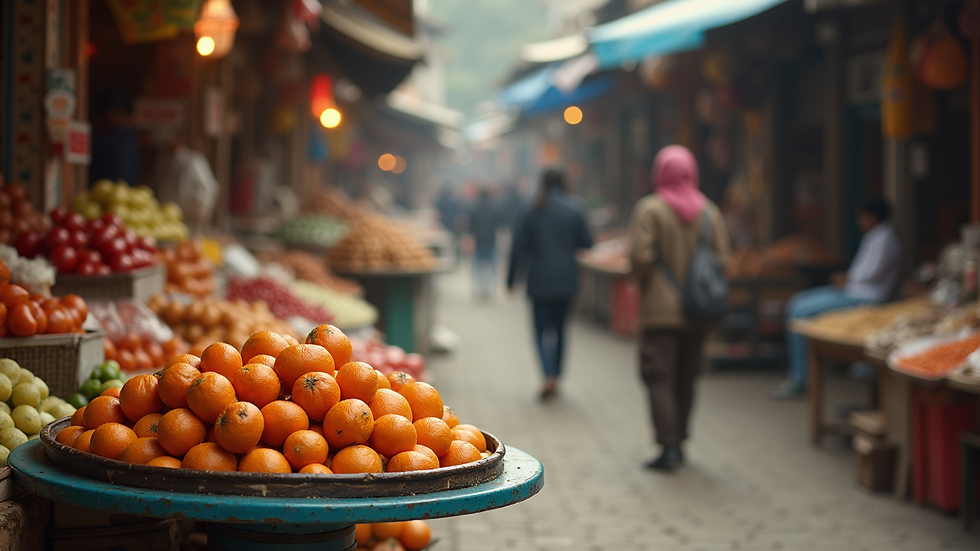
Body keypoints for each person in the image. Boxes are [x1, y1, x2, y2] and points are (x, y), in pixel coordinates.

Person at [629, 145, 731, 471]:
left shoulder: (650, 209)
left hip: (661, 311)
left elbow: (641, 258)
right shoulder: (710, 211)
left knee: (659, 376)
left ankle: (668, 445)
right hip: (698, 311)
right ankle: (681, 440)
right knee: (687, 377)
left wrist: (648, 283)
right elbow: (724, 260)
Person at [770, 197, 902, 399]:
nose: (859, 221)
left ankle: (800, 379)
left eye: (862, 217)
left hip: (866, 297)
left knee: (800, 313)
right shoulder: (874, 236)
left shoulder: (886, 238)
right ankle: (799, 375)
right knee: (796, 304)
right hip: (852, 290)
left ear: (872, 217)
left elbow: (872, 272)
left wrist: (848, 277)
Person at [507, 169, 593, 400]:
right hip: (567, 280)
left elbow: (518, 246)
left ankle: (548, 376)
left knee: (540, 331)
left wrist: (511, 279)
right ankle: (557, 374)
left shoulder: (531, 207)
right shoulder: (575, 207)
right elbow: (587, 241)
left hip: (539, 281)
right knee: (561, 330)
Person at [89, 90, 140, 186]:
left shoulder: (128, 134)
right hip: (98, 189)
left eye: (116, 111)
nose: (112, 116)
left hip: (127, 190)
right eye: (109, 112)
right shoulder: (95, 136)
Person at [468, 188, 500, 300]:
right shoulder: (495, 209)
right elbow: (499, 225)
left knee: (477, 268)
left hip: (479, 242)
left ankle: (478, 290)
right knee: (491, 268)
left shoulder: (474, 209)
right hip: (491, 241)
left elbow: (470, 227)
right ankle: (489, 290)